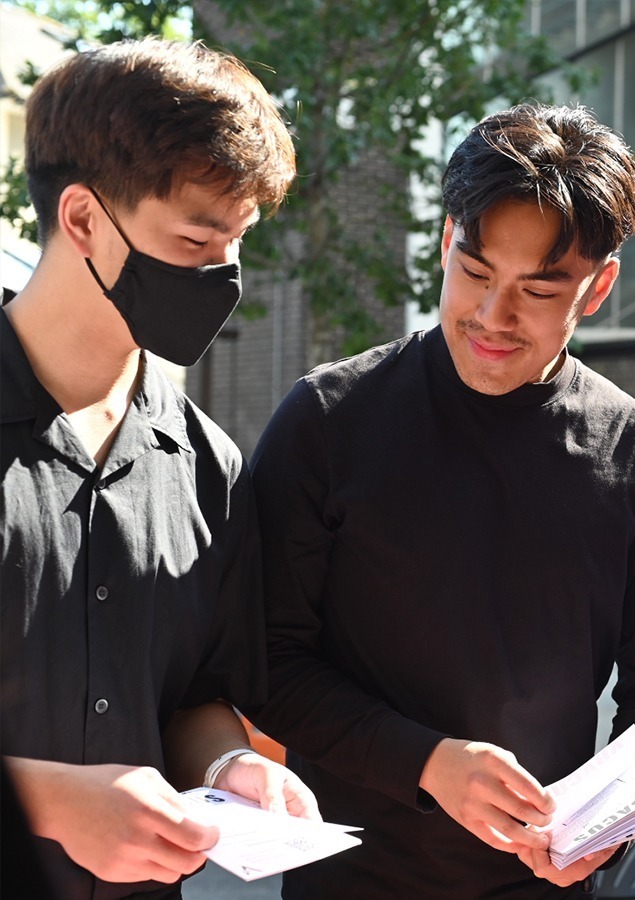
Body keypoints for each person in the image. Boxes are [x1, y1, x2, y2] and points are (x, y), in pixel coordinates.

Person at [247, 102, 635, 898]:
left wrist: (618, 812)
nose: (494, 316)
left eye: (538, 288)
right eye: (476, 271)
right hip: (350, 879)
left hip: (545, 882)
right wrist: (424, 762)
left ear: (598, 287)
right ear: (444, 243)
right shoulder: (327, 422)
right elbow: (263, 659)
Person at [1, 38, 319, 899]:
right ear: (82, 219)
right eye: (196, 238)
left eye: (238, 241)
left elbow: (192, 699)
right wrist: (53, 803)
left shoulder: (208, 466)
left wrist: (228, 764)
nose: (224, 274)